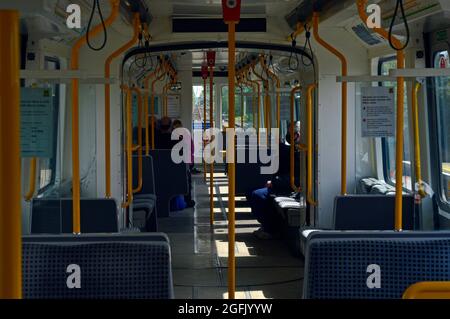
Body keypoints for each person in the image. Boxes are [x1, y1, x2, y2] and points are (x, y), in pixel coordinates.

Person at [248, 121, 302, 239]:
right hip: (288, 185)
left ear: (297, 135)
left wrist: (275, 183)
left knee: (258, 195)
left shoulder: (299, 153)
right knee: (253, 193)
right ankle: (267, 226)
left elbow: (297, 179)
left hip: (293, 189)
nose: (288, 135)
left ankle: (269, 229)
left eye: (290, 133)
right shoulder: (294, 150)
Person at [172, 119, 196, 208]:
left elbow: (190, 149)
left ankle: (187, 200)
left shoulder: (182, 135)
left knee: (187, 182)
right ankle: (187, 200)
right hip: (185, 162)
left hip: (186, 162)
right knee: (187, 182)